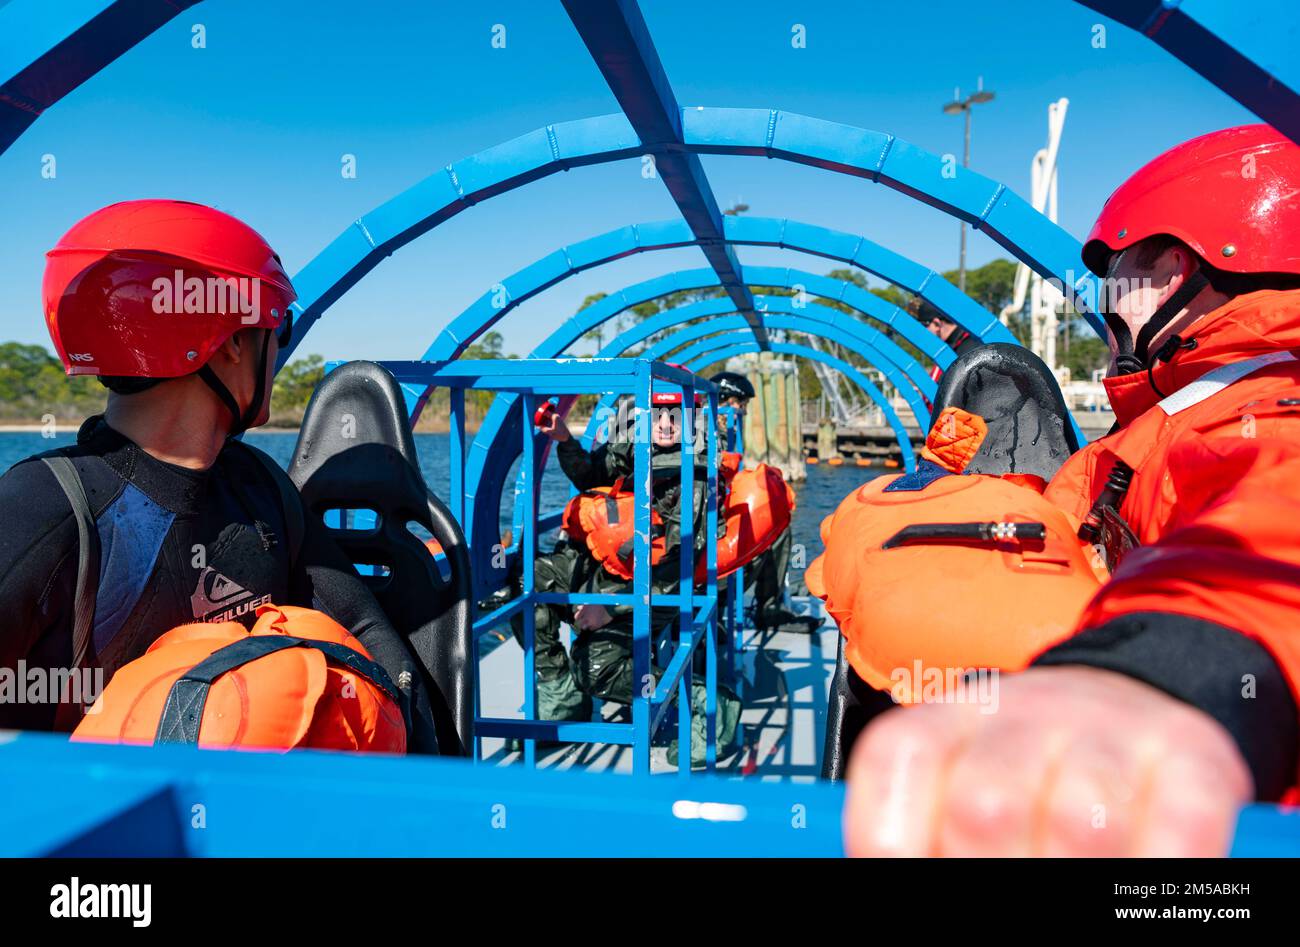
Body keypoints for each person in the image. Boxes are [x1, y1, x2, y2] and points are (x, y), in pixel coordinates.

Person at [844, 124, 1300, 856]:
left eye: (1118, 273)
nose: (1108, 301)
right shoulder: (1176, 414)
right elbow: (1078, 510)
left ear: (1176, 269)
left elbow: (1276, 514)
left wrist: (1160, 673)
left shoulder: (1260, 404)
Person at [0, 200, 439, 752]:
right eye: (276, 328)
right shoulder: (40, 507)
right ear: (231, 341)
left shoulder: (258, 484)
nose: (278, 350)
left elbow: (369, 636)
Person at [535, 387, 742, 765]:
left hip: (663, 587)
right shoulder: (632, 449)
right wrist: (565, 439)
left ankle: (708, 701)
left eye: (675, 417)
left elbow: (677, 560)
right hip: (612, 568)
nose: (664, 425)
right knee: (529, 579)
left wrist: (611, 609)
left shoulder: (695, 477)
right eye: (656, 415)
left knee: (596, 668)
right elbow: (589, 476)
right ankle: (562, 697)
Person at [918, 299, 980, 382]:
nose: (923, 333)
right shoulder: (960, 346)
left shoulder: (969, 350)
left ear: (937, 324)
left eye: (924, 326)